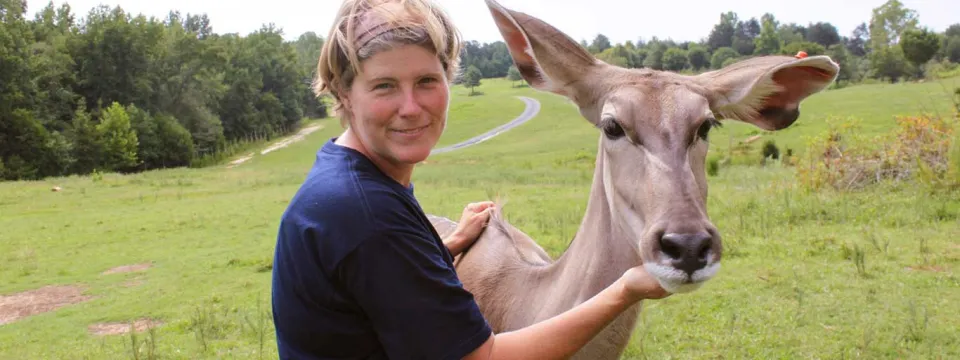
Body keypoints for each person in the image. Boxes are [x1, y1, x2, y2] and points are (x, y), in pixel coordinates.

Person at [270, 0, 671, 359]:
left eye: (427, 81)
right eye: (384, 86)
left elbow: (370, 289)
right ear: (343, 92)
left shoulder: (343, 175)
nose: (411, 108)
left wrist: (444, 248)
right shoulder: (365, 214)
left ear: (448, 79)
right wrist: (624, 290)